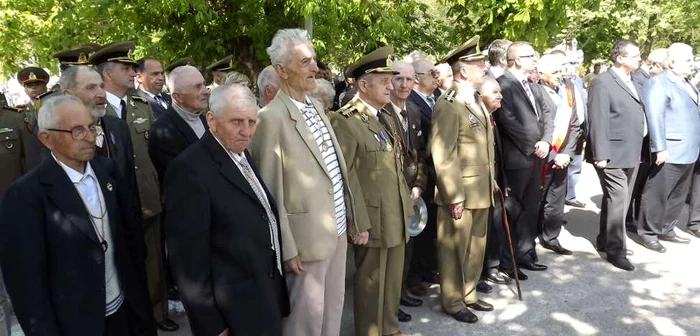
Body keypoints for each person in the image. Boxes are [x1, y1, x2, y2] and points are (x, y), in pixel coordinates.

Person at [0, 95, 155, 336]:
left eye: (91, 127)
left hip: (125, 309)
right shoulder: (25, 196)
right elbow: (27, 286)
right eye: (77, 131)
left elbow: (126, 239)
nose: (90, 137)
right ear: (46, 138)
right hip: (75, 323)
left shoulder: (107, 171)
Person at [249, 28, 357, 336]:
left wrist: (349, 217)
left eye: (314, 60)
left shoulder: (317, 106)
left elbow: (333, 169)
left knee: (333, 305)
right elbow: (270, 192)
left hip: (334, 228)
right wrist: (287, 248)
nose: (315, 68)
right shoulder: (270, 117)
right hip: (304, 240)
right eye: (305, 61)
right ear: (281, 70)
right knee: (306, 319)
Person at [164, 84, 290, 336]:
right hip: (232, 311)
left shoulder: (238, 152)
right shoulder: (189, 170)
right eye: (236, 122)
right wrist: (211, 323)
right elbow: (187, 260)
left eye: (252, 122)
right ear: (211, 120)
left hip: (260, 297)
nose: (246, 131)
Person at [329, 46, 412, 336]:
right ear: (363, 85)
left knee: (391, 280)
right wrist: (356, 221)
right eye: (384, 81)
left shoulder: (383, 117)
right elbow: (345, 175)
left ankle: (389, 328)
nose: (392, 85)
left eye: (391, 79)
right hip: (372, 218)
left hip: (395, 213)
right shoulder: (346, 120)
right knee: (371, 281)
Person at [91, 41, 168, 309]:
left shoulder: (140, 105)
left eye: (133, 67)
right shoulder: (95, 111)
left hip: (147, 195)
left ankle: (158, 312)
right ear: (107, 74)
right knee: (121, 259)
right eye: (125, 67)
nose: (133, 72)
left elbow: (153, 151)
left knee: (153, 258)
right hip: (115, 200)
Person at [431, 36, 495, 324]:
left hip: (481, 187)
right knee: (455, 249)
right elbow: (443, 153)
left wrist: (491, 177)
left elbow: (483, 146)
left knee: (475, 246)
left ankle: (468, 293)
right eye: (478, 63)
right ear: (462, 70)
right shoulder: (449, 103)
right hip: (460, 191)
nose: (484, 67)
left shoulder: (476, 98)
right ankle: (453, 300)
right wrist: (453, 194)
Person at [586, 39, 647, 271]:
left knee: (617, 200)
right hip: (611, 153)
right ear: (619, 58)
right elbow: (597, 119)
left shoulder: (633, 80)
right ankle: (616, 250)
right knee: (619, 200)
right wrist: (600, 153)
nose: (638, 59)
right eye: (634, 55)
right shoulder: (603, 82)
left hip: (631, 151)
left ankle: (605, 239)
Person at [494, 41, 553, 280]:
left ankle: (526, 254)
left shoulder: (531, 84)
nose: (534, 59)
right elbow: (508, 121)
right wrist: (533, 145)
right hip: (518, 158)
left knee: (530, 208)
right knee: (512, 211)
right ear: (517, 59)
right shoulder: (503, 84)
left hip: (536, 155)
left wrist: (546, 141)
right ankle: (508, 262)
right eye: (530, 55)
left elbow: (547, 113)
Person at [635, 43, 699, 251]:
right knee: (658, 192)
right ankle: (648, 231)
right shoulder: (658, 83)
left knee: (678, 193)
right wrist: (659, 147)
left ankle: (666, 227)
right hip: (670, 149)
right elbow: (654, 116)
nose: (692, 63)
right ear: (672, 62)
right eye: (688, 60)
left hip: (689, 149)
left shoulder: (687, 82)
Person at [384, 60, 428, 322]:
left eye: (409, 80)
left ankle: (401, 291)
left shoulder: (412, 110)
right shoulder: (382, 112)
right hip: (391, 192)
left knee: (408, 245)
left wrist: (419, 184)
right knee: (393, 249)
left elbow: (420, 154)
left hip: (412, 192)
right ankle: (390, 300)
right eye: (399, 79)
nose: (404, 85)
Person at [535, 53, 581, 256]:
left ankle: (551, 237)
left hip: (563, 154)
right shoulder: (535, 91)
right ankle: (530, 238)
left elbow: (575, 124)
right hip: (543, 156)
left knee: (556, 200)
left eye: (560, 70)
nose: (559, 75)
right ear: (541, 73)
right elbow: (536, 127)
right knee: (538, 198)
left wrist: (568, 153)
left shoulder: (567, 89)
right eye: (554, 72)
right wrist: (553, 155)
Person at [406, 58, 441, 293]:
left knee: (429, 226)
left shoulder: (437, 98)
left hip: (435, 172)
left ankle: (427, 268)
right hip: (422, 170)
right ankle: (412, 277)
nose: (436, 75)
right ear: (418, 77)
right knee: (417, 226)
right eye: (431, 72)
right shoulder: (411, 103)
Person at [148, 65, 210, 189]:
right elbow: (185, 175)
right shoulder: (162, 131)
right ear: (178, 97)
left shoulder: (207, 121)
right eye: (198, 87)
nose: (206, 91)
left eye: (204, 84)